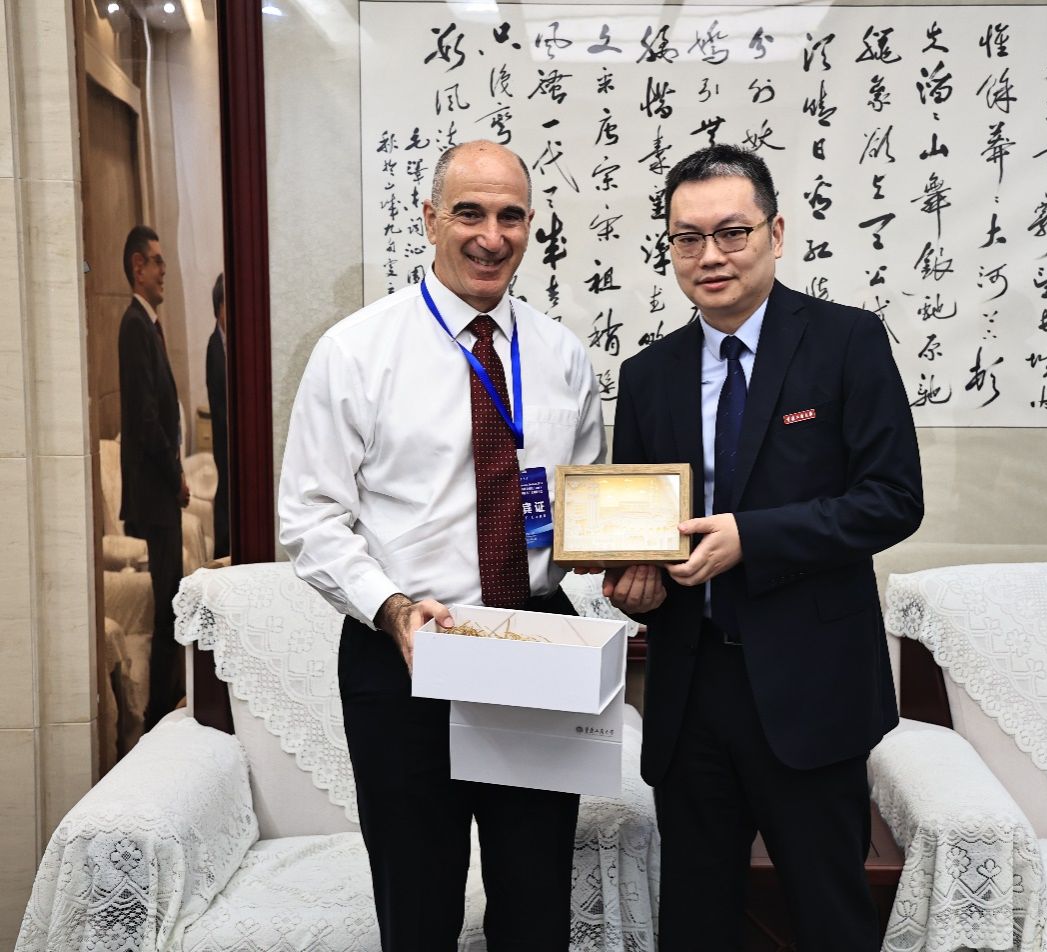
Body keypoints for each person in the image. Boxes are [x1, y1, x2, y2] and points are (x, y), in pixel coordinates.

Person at [278, 140, 605, 952]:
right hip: (407, 651)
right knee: (418, 907)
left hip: (532, 646)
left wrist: (624, 570)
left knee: (537, 905)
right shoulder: (356, 350)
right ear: (429, 219)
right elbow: (310, 519)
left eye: (510, 216)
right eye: (469, 213)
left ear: (530, 225)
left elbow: (583, 506)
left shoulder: (562, 355)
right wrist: (391, 610)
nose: (491, 236)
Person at [605, 144, 924, 951]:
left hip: (812, 687)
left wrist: (753, 537)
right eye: (687, 238)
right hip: (690, 689)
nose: (710, 256)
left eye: (732, 232)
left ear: (775, 234)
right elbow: (638, 527)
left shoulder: (846, 342)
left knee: (829, 916)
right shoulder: (648, 375)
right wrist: (634, 579)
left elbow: (893, 500)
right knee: (696, 920)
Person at [117, 224, 189, 730]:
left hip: (162, 490)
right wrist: (175, 472)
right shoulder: (133, 326)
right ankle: (159, 716)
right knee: (167, 605)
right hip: (156, 490)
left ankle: (165, 705)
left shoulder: (149, 324)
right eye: (157, 261)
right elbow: (144, 418)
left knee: (171, 600)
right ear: (137, 266)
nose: (165, 271)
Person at [205, 272, 229, 559]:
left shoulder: (226, 344)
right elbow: (221, 409)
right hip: (225, 446)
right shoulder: (214, 348)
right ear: (219, 307)